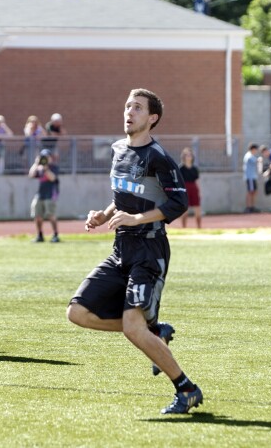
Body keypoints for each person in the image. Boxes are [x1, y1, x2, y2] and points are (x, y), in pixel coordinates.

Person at [66, 88, 202, 415]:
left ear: (152, 118)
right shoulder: (118, 150)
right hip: (121, 249)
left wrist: (137, 218)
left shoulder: (160, 158)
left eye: (137, 108)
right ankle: (154, 332)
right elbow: (125, 196)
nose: (129, 112)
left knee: (132, 327)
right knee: (78, 313)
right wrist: (104, 214)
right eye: (127, 105)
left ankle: (186, 389)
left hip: (149, 250)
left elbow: (178, 202)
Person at [29, 148, 59, 243]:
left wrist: (46, 168)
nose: (45, 159)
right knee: (37, 215)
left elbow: (52, 178)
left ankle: (55, 235)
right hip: (40, 193)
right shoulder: (39, 167)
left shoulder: (53, 167)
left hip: (50, 194)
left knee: (51, 215)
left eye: (47, 157)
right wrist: (36, 163)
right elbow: (31, 174)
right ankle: (39, 235)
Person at [178, 148, 202, 228]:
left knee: (197, 209)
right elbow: (178, 181)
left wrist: (199, 191)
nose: (188, 157)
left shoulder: (195, 169)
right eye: (186, 155)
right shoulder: (180, 168)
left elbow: (197, 181)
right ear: (183, 157)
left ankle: (199, 227)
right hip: (184, 188)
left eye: (190, 155)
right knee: (185, 210)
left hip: (193, 188)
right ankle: (184, 228)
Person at [243, 143, 260, 213]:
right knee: (250, 192)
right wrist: (259, 160)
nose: (256, 151)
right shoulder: (249, 156)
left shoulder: (250, 155)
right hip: (250, 177)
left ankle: (252, 206)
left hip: (252, 177)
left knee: (254, 191)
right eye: (256, 150)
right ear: (253, 149)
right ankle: (248, 207)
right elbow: (256, 161)